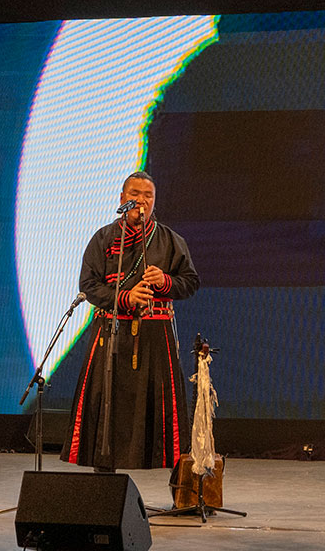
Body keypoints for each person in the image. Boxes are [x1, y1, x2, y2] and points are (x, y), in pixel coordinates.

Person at [60, 171, 201, 470]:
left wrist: (165, 281)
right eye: (135, 194)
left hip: (154, 337)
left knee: (161, 408)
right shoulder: (103, 238)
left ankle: (174, 481)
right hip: (110, 333)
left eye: (148, 196)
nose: (142, 201)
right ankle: (103, 474)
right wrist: (125, 297)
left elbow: (190, 282)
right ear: (122, 198)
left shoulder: (170, 241)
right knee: (106, 402)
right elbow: (88, 285)